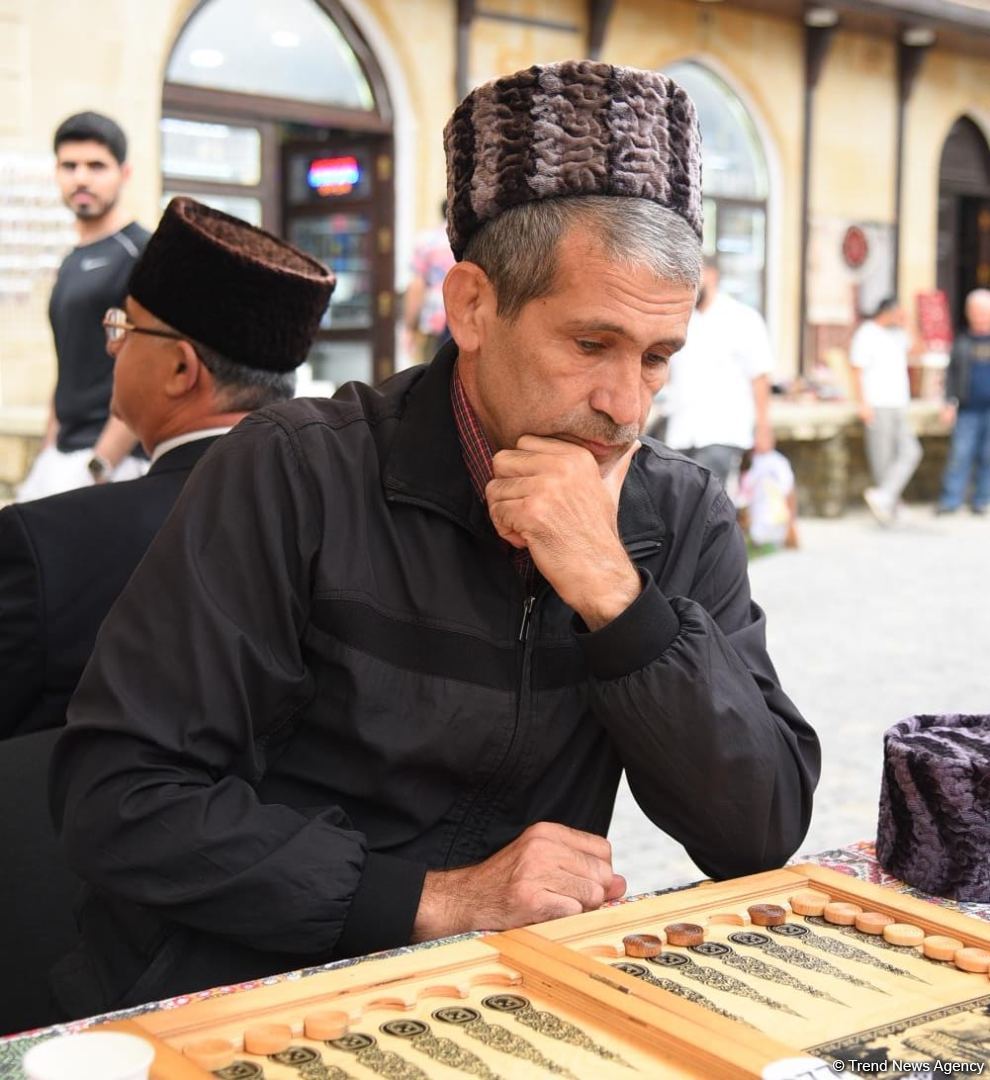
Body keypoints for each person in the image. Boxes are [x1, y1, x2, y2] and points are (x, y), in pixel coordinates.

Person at [51, 61, 819, 1017]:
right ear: (472, 308)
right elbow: (122, 795)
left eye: (658, 359)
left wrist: (619, 600)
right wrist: (434, 900)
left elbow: (760, 828)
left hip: (502, 1009)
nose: (627, 406)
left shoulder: (676, 513)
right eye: (590, 346)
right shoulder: (296, 469)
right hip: (250, 993)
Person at [0, 198, 334, 740]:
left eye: (125, 328)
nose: (114, 349)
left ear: (181, 368)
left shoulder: (46, 545)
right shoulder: (347, 513)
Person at [17, 112, 151, 502]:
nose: (81, 178)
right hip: (61, 458)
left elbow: (147, 365)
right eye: (69, 165)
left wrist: (101, 465)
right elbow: (69, 365)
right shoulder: (71, 260)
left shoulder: (142, 253)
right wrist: (48, 450)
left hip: (113, 462)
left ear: (124, 173)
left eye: (96, 166)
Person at [663, 256, 775, 491]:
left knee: (706, 501)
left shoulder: (742, 319)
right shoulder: (677, 319)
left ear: (712, 275)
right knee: (680, 501)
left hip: (723, 429)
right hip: (682, 430)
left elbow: (759, 377)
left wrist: (763, 427)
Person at [850, 297, 923, 525]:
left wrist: (908, 324)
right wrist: (862, 403)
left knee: (911, 451)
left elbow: (920, 350)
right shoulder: (867, 333)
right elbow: (856, 370)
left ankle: (885, 497)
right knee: (883, 460)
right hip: (877, 403)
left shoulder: (898, 334)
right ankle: (889, 505)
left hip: (899, 403)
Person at [936, 288, 990, 515]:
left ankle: (982, 500)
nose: (979, 316)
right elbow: (952, 375)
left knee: (988, 456)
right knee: (960, 454)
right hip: (968, 408)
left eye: (983, 311)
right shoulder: (962, 342)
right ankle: (950, 501)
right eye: (975, 311)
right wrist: (949, 402)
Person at [402, 199, 456, 364]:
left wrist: (410, 328)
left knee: (435, 372)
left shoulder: (427, 241)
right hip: (466, 315)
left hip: (436, 319)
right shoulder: (470, 240)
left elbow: (417, 286)